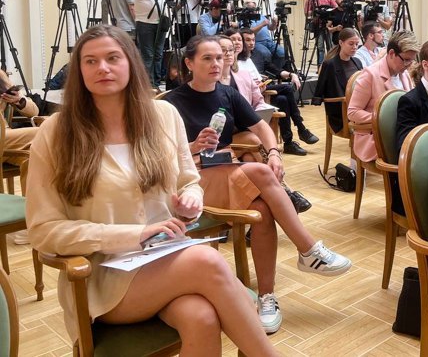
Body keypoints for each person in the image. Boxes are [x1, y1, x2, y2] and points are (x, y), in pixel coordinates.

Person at [25, 25, 277, 355]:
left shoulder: (162, 115)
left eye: (113, 58)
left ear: (130, 62)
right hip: (102, 277)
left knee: (201, 317)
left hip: (166, 257)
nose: (102, 67)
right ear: (79, 71)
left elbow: (189, 180)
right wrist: (136, 234)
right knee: (207, 260)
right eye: (90, 61)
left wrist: (190, 201)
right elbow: (44, 231)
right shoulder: (56, 133)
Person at [165, 35, 351, 334]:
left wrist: (275, 151)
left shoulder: (227, 94)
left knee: (263, 210)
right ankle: (308, 249)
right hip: (192, 180)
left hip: (225, 169)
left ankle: (267, 297)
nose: (216, 63)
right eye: (207, 58)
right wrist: (192, 145)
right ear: (189, 63)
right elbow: (159, 157)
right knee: (263, 173)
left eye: (219, 57)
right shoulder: (171, 103)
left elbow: (261, 125)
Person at [218, 32, 311, 211]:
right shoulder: (210, 82)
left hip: (245, 134)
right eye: (223, 50)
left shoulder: (244, 76)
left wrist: (264, 111)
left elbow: (258, 103)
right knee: (254, 141)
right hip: (224, 138)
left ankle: (259, 213)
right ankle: (285, 193)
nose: (229, 54)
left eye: (231, 50)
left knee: (250, 157)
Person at [234, 29, 318, 156]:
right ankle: (301, 127)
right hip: (255, 95)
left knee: (283, 100)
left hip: (264, 91)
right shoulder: (235, 61)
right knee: (288, 89)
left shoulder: (256, 55)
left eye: (253, 40)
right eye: (247, 40)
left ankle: (288, 143)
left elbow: (275, 69)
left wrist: (291, 74)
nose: (251, 43)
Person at [348, 30, 419, 164]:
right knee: (414, 157)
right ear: (391, 53)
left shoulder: (404, 75)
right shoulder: (370, 75)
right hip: (375, 139)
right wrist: (382, 118)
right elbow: (352, 112)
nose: (409, 64)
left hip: (398, 133)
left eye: (412, 60)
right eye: (406, 60)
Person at [132, 0, 176, 88]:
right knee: (148, 55)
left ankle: (156, 84)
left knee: (158, 55)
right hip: (145, 22)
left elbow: (170, 0)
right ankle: (147, 85)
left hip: (161, 22)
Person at [313, 28, 362, 134]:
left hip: (356, 107)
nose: (354, 47)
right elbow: (320, 91)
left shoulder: (358, 62)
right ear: (341, 43)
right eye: (351, 44)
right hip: (341, 112)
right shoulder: (329, 64)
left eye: (357, 44)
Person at [0, 70, 38, 166]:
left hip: (5, 136)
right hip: (3, 136)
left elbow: (34, 111)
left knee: (36, 157)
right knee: (44, 132)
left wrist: (19, 100)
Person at [243, 0, 284, 70]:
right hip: (257, 42)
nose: (254, 10)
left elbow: (271, 28)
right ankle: (268, 72)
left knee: (282, 52)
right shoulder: (245, 18)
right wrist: (261, 25)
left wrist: (274, 23)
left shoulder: (261, 16)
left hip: (269, 41)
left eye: (254, 7)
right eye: (251, 8)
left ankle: (278, 71)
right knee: (266, 54)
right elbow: (249, 32)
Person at [304, 0, 336, 66]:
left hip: (328, 25)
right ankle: (320, 67)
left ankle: (331, 65)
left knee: (330, 47)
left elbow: (335, 8)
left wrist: (327, 11)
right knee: (320, 47)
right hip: (317, 26)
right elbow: (306, 13)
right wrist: (316, 11)